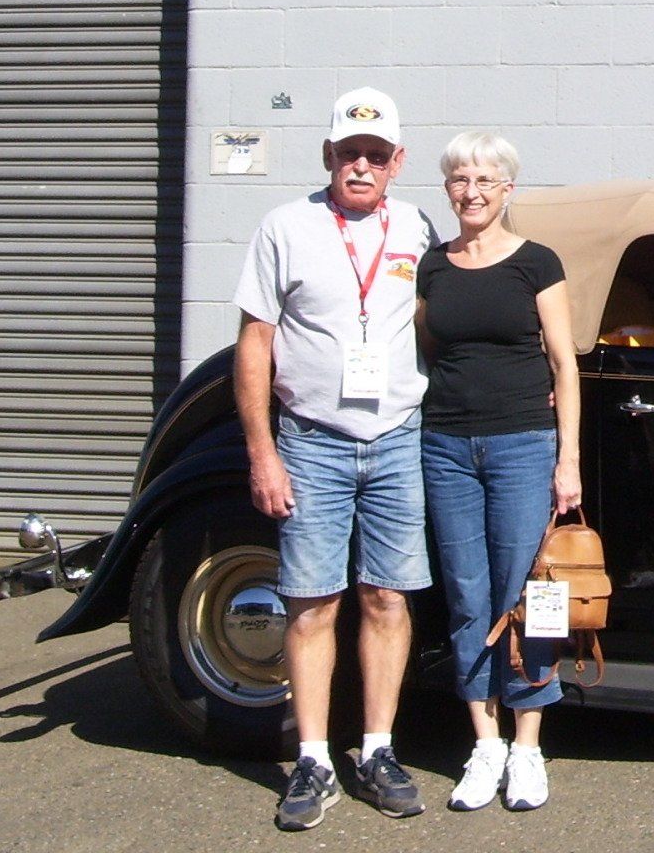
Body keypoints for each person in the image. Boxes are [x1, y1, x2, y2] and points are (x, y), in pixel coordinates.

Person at [234, 87, 437, 830]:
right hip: (311, 443)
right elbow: (254, 344)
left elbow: (444, 317)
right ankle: (314, 758)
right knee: (312, 602)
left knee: (388, 598)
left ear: (396, 163)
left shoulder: (416, 228)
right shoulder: (285, 227)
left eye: (376, 156)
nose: (361, 166)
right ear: (328, 155)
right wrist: (264, 453)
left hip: (395, 440)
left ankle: (378, 750)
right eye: (350, 153)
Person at [416, 129, 581, 813]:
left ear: (507, 188)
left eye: (486, 180)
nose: (472, 192)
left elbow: (564, 365)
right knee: (466, 596)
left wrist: (566, 459)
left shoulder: (536, 263)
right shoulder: (432, 266)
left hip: (522, 445)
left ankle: (528, 746)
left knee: (530, 596)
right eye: (460, 180)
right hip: (447, 446)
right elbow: (424, 352)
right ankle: (483, 743)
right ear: (448, 188)